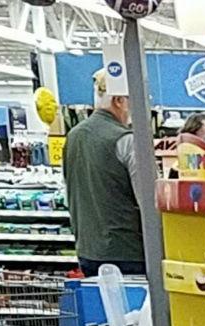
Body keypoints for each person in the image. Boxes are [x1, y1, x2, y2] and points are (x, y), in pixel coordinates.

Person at [62, 71, 148, 278]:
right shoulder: (126, 140)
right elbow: (147, 202)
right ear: (119, 100)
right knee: (136, 310)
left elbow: (70, 191)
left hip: (88, 251)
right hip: (128, 253)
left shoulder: (73, 136)